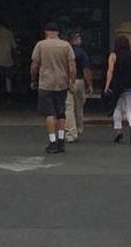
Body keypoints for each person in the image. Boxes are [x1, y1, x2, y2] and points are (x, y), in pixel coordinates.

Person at [30, 22, 75, 154]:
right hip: (62, 83)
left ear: (46, 32)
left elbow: (34, 65)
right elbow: (72, 66)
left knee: (49, 113)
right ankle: (61, 140)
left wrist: (33, 79)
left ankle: (52, 141)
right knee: (61, 113)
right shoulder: (66, 45)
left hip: (46, 83)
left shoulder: (41, 45)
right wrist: (71, 81)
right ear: (58, 33)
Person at [104, 35, 131, 144]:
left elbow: (110, 71)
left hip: (117, 85)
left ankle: (119, 131)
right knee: (130, 108)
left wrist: (107, 85)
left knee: (117, 108)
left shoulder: (113, 55)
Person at [64, 31, 92, 143]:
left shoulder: (65, 52)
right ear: (73, 40)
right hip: (80, 81)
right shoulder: (82, 53)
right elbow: (86, 70)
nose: (79, 40)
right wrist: (89, 85)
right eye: (77, 38)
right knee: (79, 107)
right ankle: (79, 128)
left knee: (69, 107)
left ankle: (71, 132)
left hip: (68, 81)